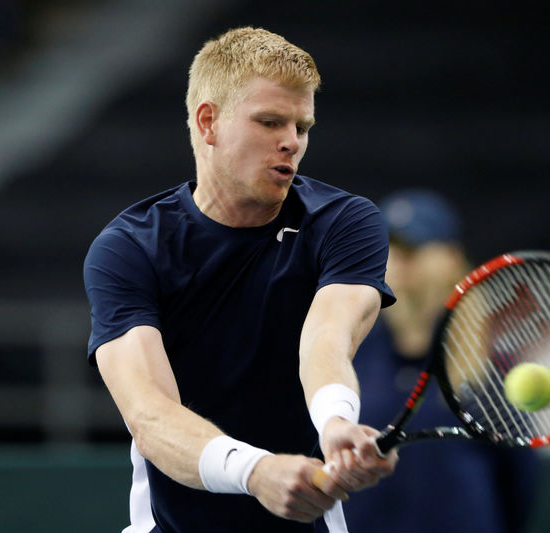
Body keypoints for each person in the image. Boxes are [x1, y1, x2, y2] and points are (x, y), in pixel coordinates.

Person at [83, 27, 398, 533]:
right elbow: (150, 415)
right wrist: (255, 472)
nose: (292, 142)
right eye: (271, 121)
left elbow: (326, 339)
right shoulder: (128, 248)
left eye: (302, 125)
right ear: (209, 122)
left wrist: (336, 421)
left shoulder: (346, 221)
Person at [343, 189, 541, 532]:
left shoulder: (493, 370)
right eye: (388, 247)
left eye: (412, 248)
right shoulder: (345, 353)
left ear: (451, 257)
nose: (398, 261)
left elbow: (519, 482)